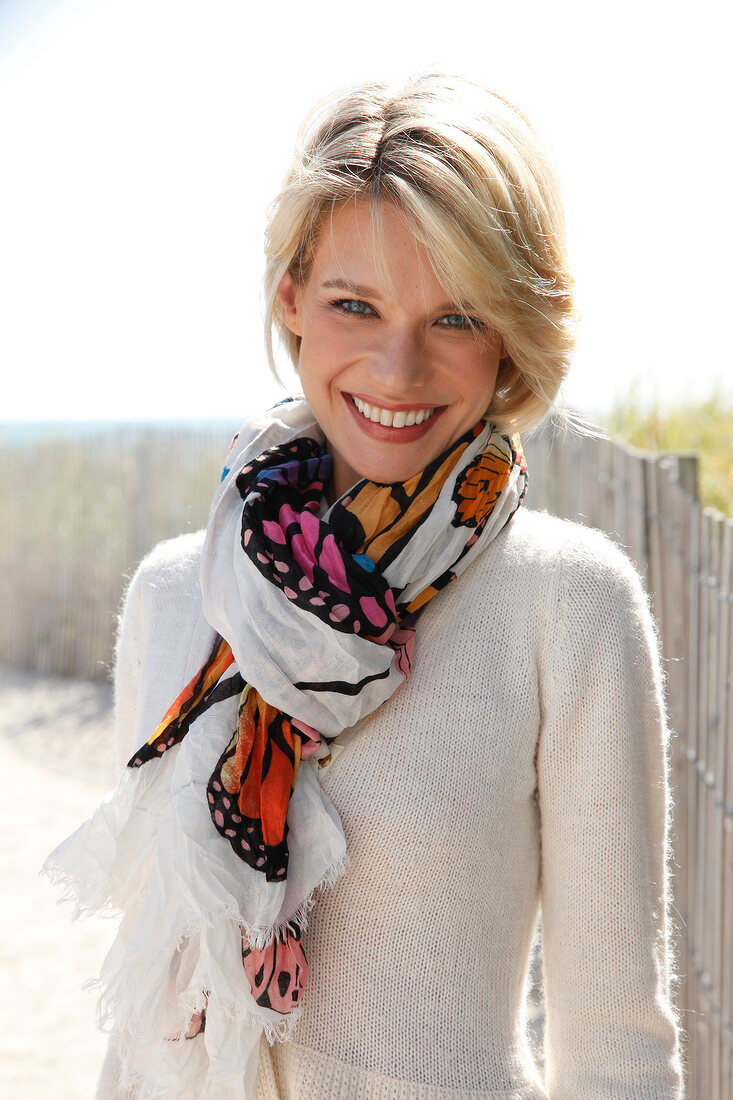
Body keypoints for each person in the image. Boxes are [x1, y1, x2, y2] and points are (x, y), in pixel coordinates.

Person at [45, 74, 683, 1098]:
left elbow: (618, 1053)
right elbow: (147, 1030)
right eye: (355, 303)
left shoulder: (567, 607)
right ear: (291, 297)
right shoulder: (176, 597)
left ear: (513, 331)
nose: (398, 366)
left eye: (456, 316)